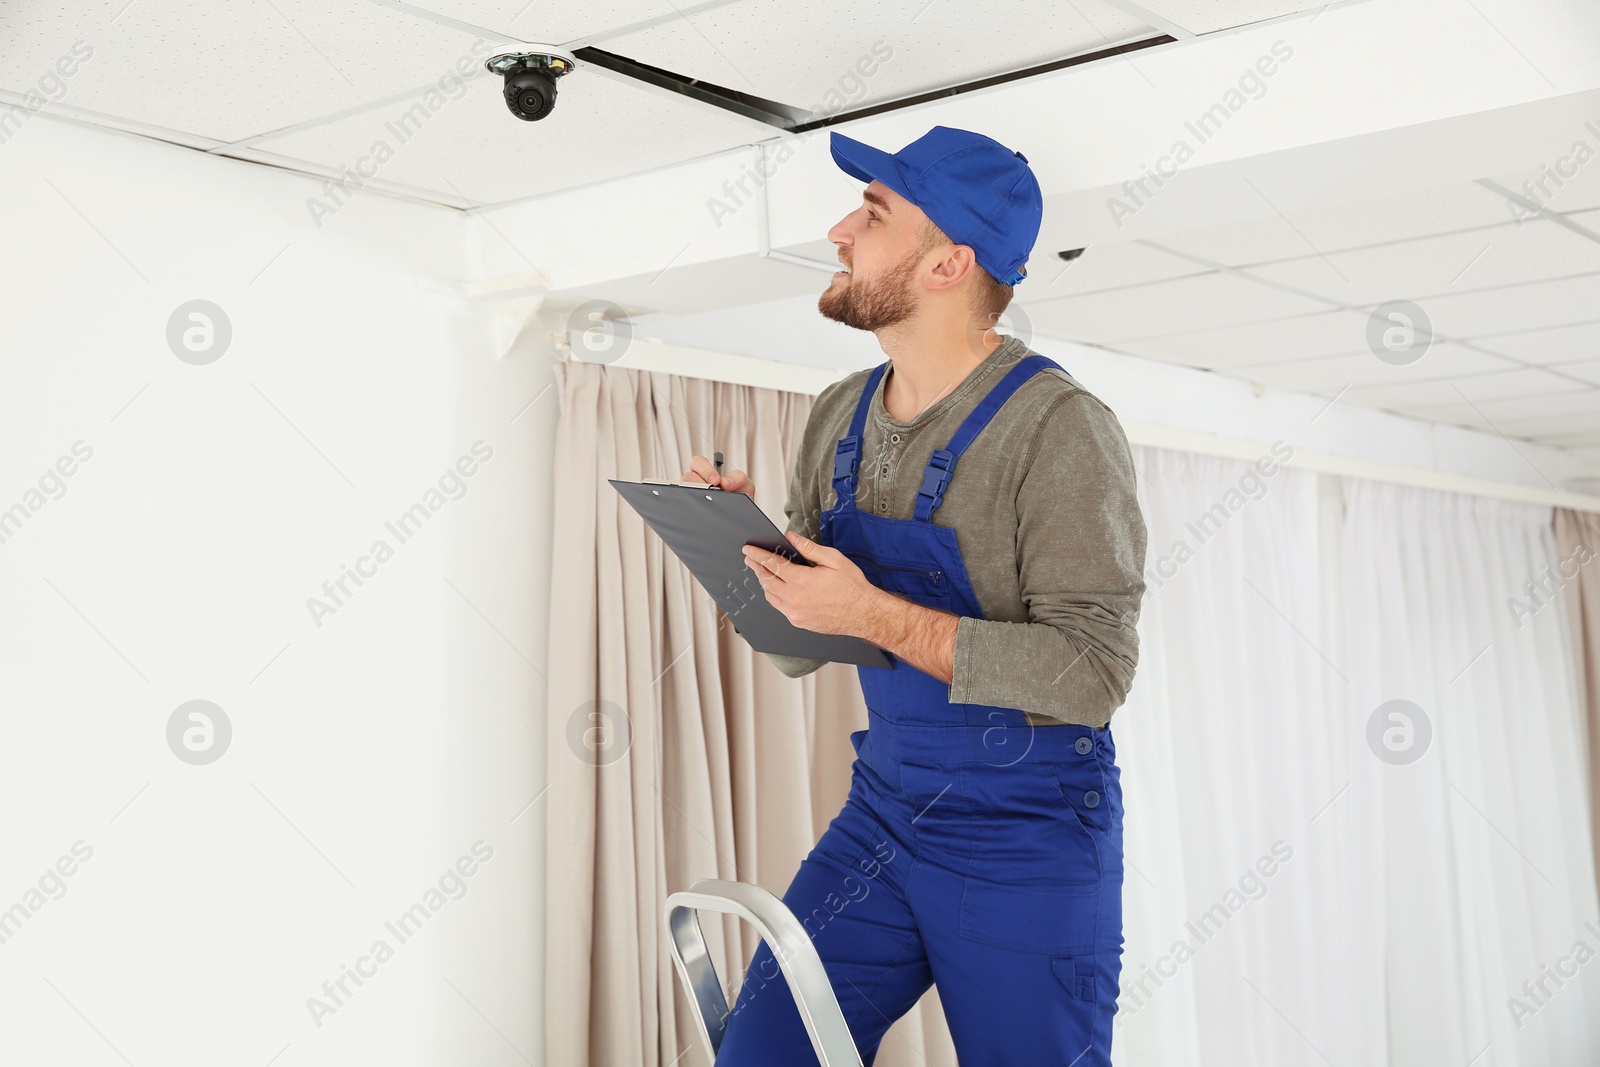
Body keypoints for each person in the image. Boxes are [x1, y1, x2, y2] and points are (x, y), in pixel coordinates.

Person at [680, 125, 1148, 1066]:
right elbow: (807, 645)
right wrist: (749, 559)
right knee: (760, 1053)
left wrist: (874, 612)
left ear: (950, 263)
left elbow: (1095, 671)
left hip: (1030, 835)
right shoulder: (836, 413)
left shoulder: (1059, 430)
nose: (840, 228)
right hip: (886, 811)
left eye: (874, 211)